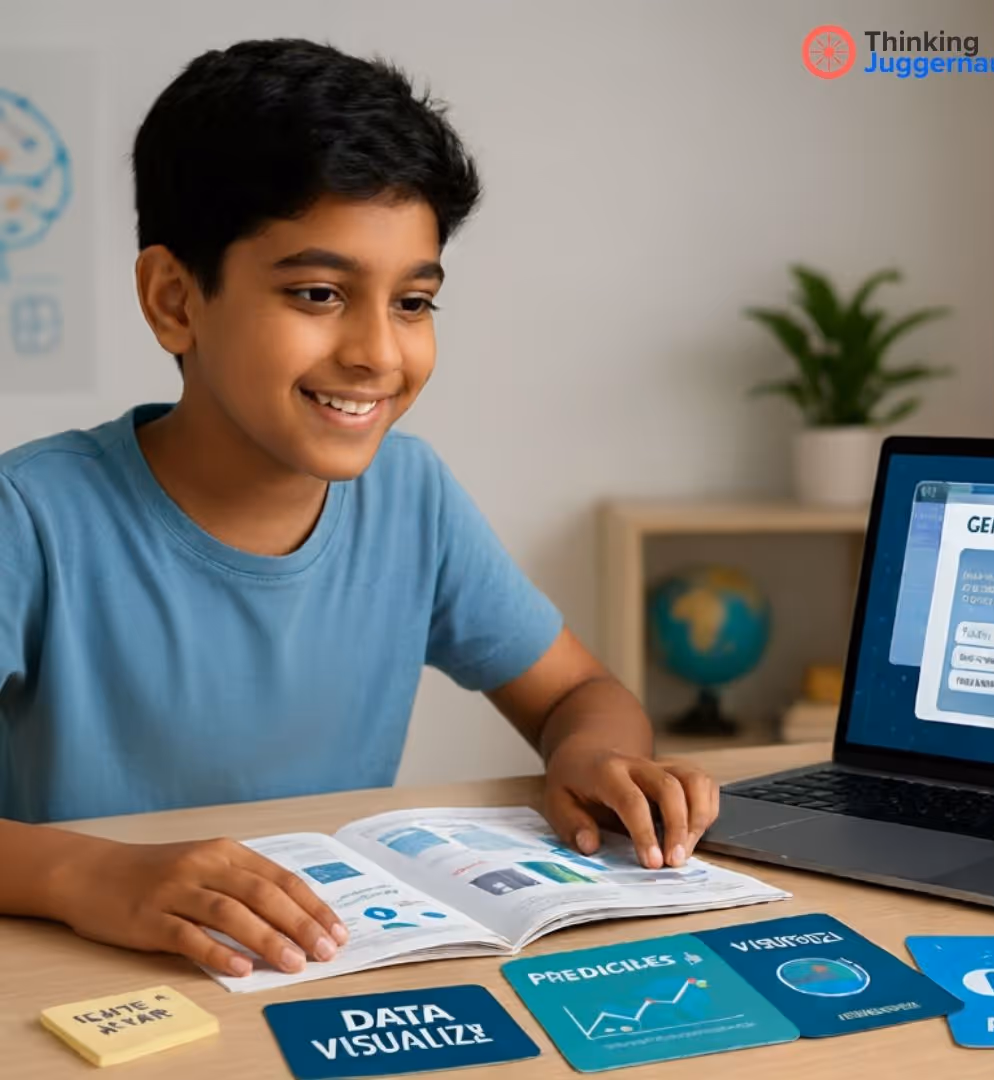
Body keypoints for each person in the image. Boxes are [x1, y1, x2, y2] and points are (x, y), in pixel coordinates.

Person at [0, 39, 719, 980]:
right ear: (176, 300)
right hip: (87, 979)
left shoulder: (411, 498)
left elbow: (583, 694)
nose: (379, 352)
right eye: (318, 294)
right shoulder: (33, 514)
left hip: (331, 969)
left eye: (414, 302)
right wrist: (88, 877)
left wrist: (592, 757)